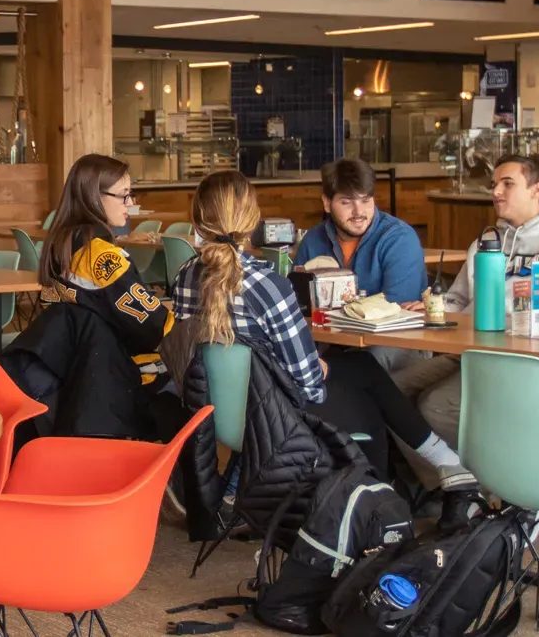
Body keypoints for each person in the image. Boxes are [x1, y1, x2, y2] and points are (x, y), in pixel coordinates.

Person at [171, 170, 477, 504]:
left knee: (359, 367)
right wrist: (318, 367)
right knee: (363, 384)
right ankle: (390, 498)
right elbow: (309, 386)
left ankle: (242, 486)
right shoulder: (269, 285)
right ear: (253, 220)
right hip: (273, 419)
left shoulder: (184, 276)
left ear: (197, 221)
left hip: (212, 413)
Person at [393, 154, 539, 452]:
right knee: (390, 391)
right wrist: (433, 308)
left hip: (522, 361)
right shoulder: (483, 243)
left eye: (508, 184)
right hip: (466, 352)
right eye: (494, 185)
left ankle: (486, 479)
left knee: (435, 405)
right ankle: (443, 481)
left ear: (537, 189)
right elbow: (459, 299)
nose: (495, 192)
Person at [0, 153, 177, 443]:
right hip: (114, 386)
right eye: (123, 196)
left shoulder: (61, 242)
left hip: (69, 383)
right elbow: (151, 326)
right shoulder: (99, 253)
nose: (131, 204)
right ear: (95, 197)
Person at [294, 158, 429, 371]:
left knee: (359, 364)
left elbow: (396, 309)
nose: (359, 212)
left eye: (365, 200)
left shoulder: (399, 238)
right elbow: (298, 305)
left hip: (395, 342)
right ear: (327, 203)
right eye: (347, 202)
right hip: (333, 345)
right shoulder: (313, 239)